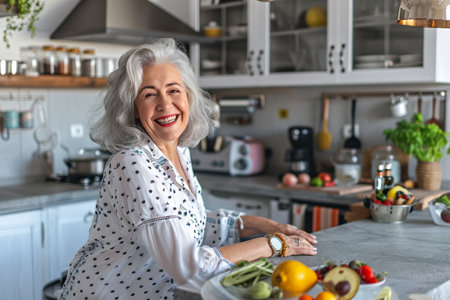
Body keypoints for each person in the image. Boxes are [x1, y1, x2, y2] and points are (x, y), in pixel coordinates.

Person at [59, 38, 317, 300]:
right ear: (134, 109)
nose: (165, 104)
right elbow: (190, 267)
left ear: (188, 97)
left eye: (174, 90)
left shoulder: (179, 152)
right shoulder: (132, 163)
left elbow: (189, 225)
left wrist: (264, 225)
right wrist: (273, 244)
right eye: (149, 94)